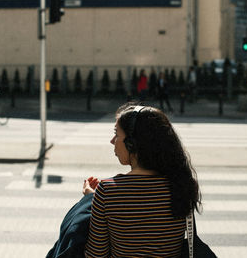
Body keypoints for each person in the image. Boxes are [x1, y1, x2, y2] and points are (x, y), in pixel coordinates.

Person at [83, 102, 201, 257]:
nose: (112, 141)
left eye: (117, 134)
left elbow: (96, 255)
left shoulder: (107, 191)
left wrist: (90, 201)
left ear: (132, 143)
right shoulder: (181, 184)